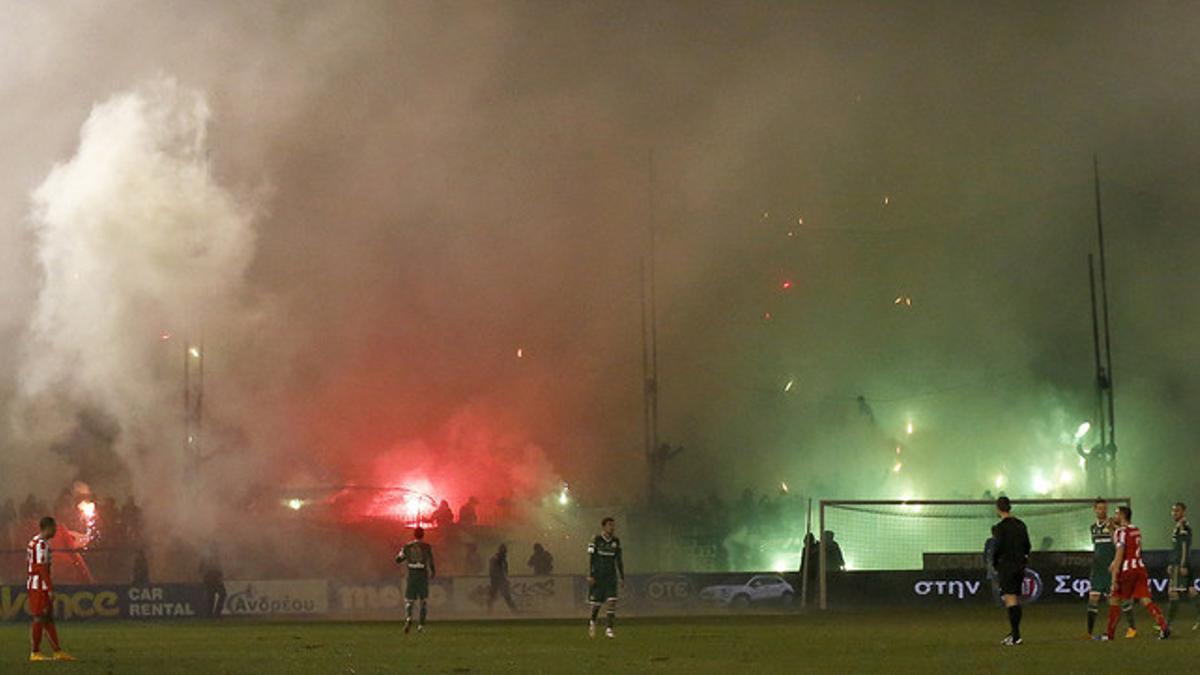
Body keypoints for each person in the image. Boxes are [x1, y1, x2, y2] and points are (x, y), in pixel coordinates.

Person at [1103, 505, 1170, 640]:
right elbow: (1123, 540)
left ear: (1122, 515)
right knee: (1146, 600)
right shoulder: (1136, 530)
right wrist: (1112, 530)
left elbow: (1119, 552)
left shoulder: (1120, 532)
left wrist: (1113, 579)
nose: (1114, 516)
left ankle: (1109, 635)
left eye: (1116, 514)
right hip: (1140, 568)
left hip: (1127, 571)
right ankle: (1163, 626)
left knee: (1115, 599)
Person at [1085, 498, 1135, 639]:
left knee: (1118, 600)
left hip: (1111, 568)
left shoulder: (1114, 526)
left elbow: (1119, 544)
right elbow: (1097, 546)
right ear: (1095, 509)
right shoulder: (1093, 528)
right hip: (1098, 569)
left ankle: (1132, 627)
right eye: (1100, 508)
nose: (1102, 511)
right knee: (1093, 598)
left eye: (1104, 508)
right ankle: (1089, 633)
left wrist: (1112, 528)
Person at [27, 517, 74, 662]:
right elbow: (41, 568)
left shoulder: (33, 541)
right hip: (39, 585)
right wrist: (49, 588)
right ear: (47, 528)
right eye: (54, 528)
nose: (55, 531)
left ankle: (57, 651)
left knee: (47, 618)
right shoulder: (41, 545)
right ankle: (35, 652)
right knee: (40, 617)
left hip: (35, 583)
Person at [992, 496, 1031, 646]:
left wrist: (995, 564)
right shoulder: (1021, 525)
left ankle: (1016, 636)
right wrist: (1024, 559)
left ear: (998, 509)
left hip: (1007, 565)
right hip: (1020, 565)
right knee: (1015, 598)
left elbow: (997, 548)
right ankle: (1014, 633)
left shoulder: (1000, 527)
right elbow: (1027, 545)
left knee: (1010, 599)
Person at [587, 517, 625, 639]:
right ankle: (592, 621)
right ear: (603, 527)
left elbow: (618, 560)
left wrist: (621, 576)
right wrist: (591, 574)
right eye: (609, 525)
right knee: (597, 604)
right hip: (598, 576)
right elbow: (591, 558)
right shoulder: (595, 539)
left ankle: (609, 629)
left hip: (611, 576)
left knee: (612, 602)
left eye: (613, 525)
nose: (612, 527)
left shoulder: (616, 541)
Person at [395, 526, 436, 634]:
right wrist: (433, 571)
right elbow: (431, 560)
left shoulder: (407, 546)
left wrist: (405, 558)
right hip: (422, 574)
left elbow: (398, 559)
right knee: (423, 601)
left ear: (414, 534)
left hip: (412, 574)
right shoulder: (426, 546)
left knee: (409, 600)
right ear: (423, 535)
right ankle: (421, 626)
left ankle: (408, 619)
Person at [1166, 502, 1199, 629]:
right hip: (1179, 562)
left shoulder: (1183, 526)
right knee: (1191, 591)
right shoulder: (1179, 526)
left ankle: (1168, 624)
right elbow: (1177, 547)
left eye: (1177, 511)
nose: (1174, 513)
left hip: (1180, 564)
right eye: (1173, 511)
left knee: (1172, 592)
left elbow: (1184, 546)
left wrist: (1183, 564)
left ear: (1183, 512)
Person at [488, 544, 518, 613]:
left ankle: (489, 610)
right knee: (504, 596)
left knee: (499, 596)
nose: (505, 553)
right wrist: (502, 579)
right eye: (504, 552)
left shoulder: (501, 559)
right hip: (498, 581)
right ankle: (514, 610)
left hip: (499, 581)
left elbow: (504, 571)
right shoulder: (497, 559)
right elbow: (496, 571)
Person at [199, 546, 227, 618]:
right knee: (219, 595)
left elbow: (200, 569)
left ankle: (211, 614)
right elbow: (201, 568)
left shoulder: (206, 556)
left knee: (212, 597)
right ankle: (215, 613)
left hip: (210, 578)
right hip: (213, 577)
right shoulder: (213, 557)